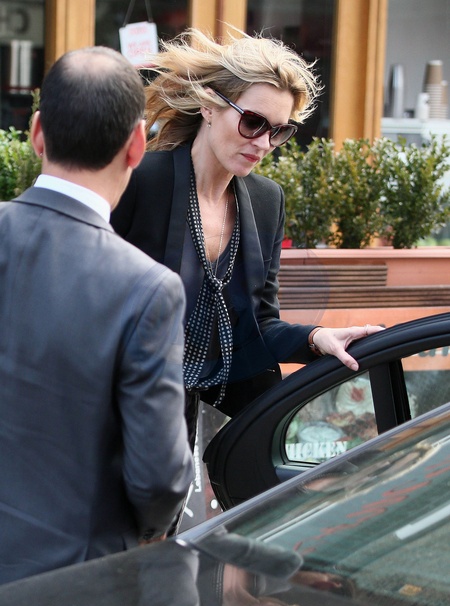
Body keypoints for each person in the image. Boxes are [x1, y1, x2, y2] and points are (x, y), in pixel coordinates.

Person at [111, 28, 383, 445]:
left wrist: (316, 338)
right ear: (208, 105)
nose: (264, 143)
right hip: (124, 413)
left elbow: (261, 323)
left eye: (279, 131)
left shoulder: (266, 200)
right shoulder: (140, 182)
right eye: (253, 122)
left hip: (214, 418)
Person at [0, 46, 194, 585]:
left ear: (37, 132)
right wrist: (152, 528)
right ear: (137, 145)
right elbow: (158, 478)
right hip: (72, 583)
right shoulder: (146, 290)